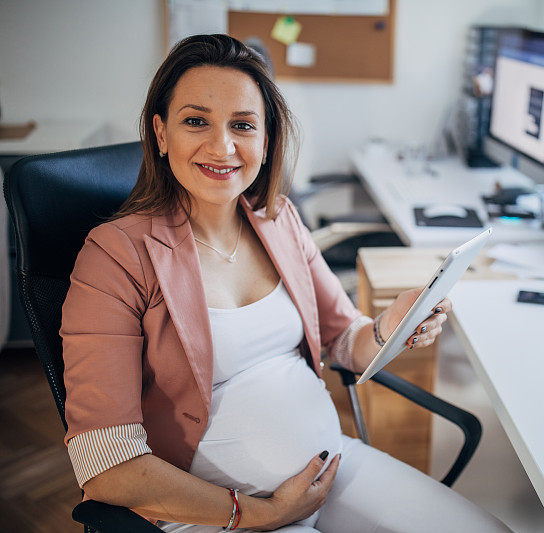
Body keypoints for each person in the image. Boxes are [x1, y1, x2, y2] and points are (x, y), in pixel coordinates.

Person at [60, 34, 511, 532]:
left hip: (328, 468)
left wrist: (391, 325)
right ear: (161, 134)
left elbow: (345, 340)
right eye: (196, 122)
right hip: (210, 511)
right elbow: (106, 467)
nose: (222, 146)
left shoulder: (278, 220)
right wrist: (261, 512)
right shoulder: (115, 255)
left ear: (266, 140)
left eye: (243, 125)